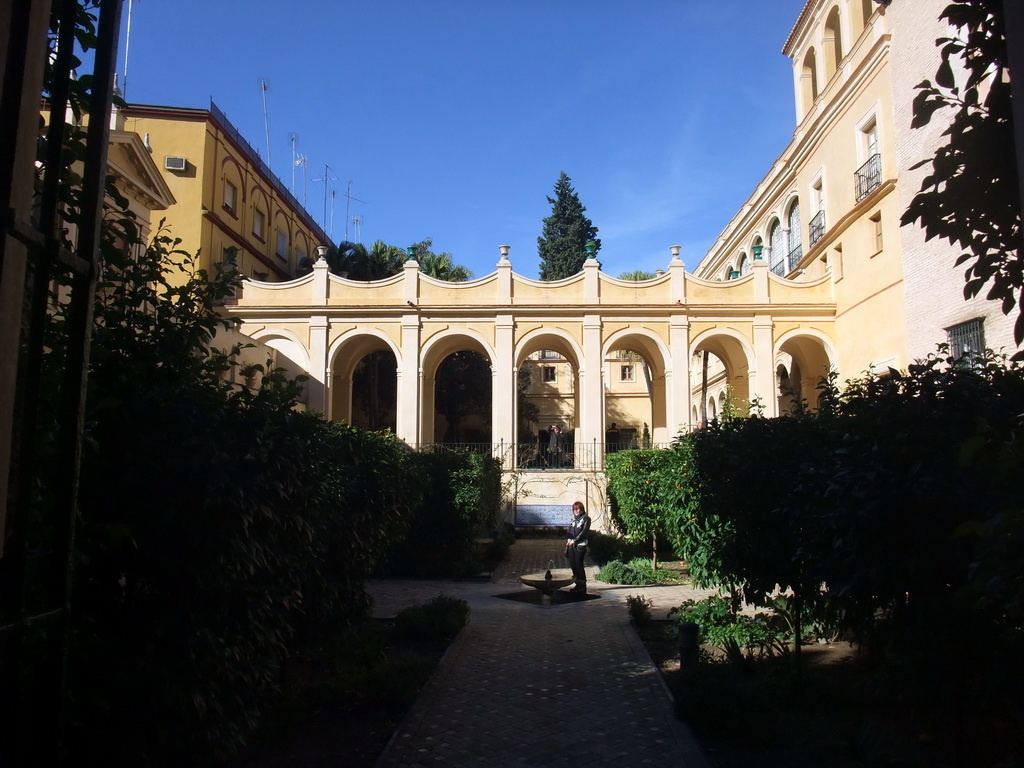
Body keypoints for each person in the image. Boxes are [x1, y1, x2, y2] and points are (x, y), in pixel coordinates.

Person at [565, 500, 591, 594]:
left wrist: (575, 540)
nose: (576, 511)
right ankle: (577, 584)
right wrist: (569, 540)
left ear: (582, 509)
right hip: (571, 545)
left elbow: (583, 532)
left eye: (578, 509)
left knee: (579, 565)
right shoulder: (573, 519)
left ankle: (583, 586)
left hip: (580, 545)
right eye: (575, 509)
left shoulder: (586, 519)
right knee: (573, 565)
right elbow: (569, 530)